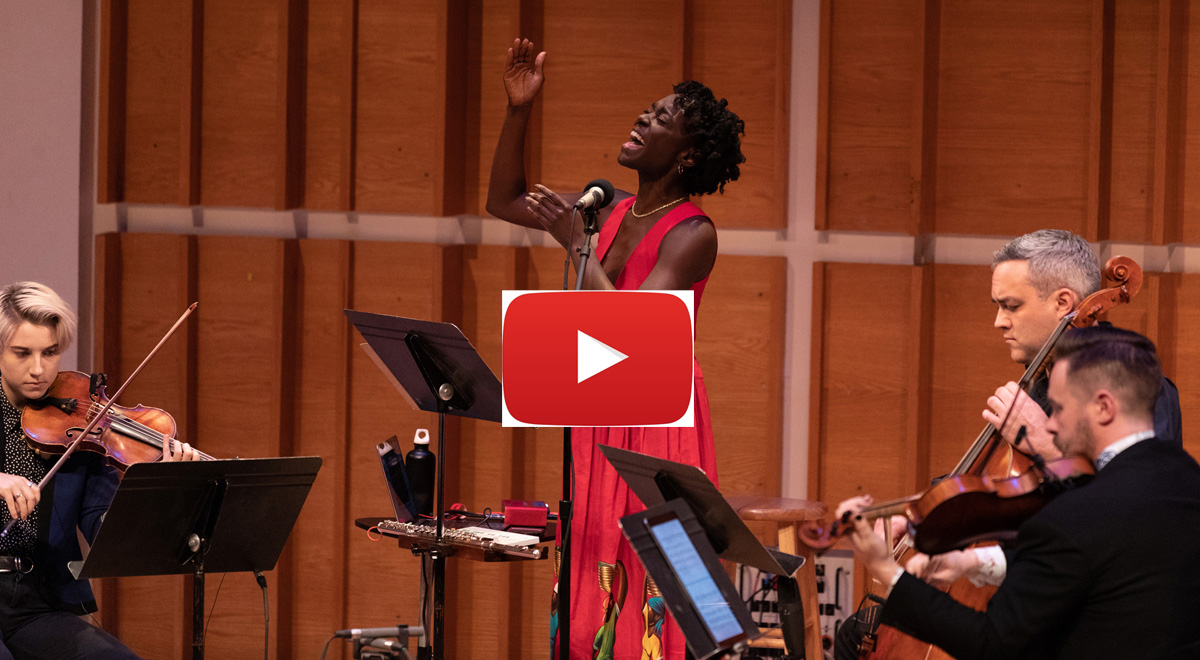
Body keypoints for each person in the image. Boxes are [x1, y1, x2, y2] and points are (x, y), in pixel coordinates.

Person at [486, 39, 745, 659]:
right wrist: (519, 109)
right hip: (603, 404)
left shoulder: (693, 232)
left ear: (686, 155)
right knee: (596, 554)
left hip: (659, 415)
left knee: (655, 565)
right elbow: (502, 200)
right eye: (648, 110)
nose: (642, 118)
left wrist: (577, 242)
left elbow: (637, 330)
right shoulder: (610, 210)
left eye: (661, 118)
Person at [837, 326, 1200, 659]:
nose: (1050, 424)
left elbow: (993, 642)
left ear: (1104, 407)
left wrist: (886, 569)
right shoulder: (1185, 477)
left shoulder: (1075, 514)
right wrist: (970, 563)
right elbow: (1093, 560)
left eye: (1059, 408)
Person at [0, 282, 196, 660]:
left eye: (50, 352)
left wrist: (161, 489)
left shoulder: (83, 425)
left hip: (36, 600)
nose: (38, 369)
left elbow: (105, 531)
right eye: (22, 353)